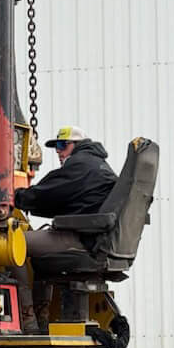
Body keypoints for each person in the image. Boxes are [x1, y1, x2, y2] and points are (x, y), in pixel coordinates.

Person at [15, 125, 119, 330]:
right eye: (57, 147)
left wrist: (15, 196)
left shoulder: (79, 165)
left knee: (13, 243)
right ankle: (42, 315)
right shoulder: (99, 166)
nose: (59, 151)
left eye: (63, 145)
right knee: (39, 252)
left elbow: (46, 192)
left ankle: (27, 317)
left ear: (78, 145)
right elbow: (65, 200)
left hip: (81, 239)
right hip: (94, 239)